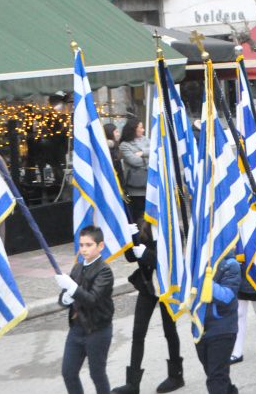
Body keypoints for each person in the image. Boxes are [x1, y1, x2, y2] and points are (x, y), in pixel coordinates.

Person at [112, 222, 184, 394]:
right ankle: (133, 383)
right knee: (138, 332)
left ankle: (176, 376)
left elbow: (173, 262)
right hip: (148, 285)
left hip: (167, 287)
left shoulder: (172, 227)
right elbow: (131, 257)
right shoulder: (144, 226)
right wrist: (131, 240)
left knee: (169, 331)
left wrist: (147, 254)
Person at [55, 225, 115, 394]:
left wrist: (72, 288)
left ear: (100, 246)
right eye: (81, 245)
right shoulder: (77, 268)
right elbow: (63, 297)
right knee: (68, 372)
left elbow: (92, 299)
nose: (84, 249)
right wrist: (65, 297)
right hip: (77, 328)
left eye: (89, 245)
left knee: (97, 374)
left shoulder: (105, 271)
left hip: (97, 330)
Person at [194, 253, 241, 394]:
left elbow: (227, 297)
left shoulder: (231, 264)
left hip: (223, 327)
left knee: (216, 379)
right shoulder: (196, 262)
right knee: (216, 374)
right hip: (200, 327)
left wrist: (205, 281)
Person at [120, 119, 150, 220]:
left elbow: (155, 153)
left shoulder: (146, 140)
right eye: (140, 128)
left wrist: (142, 153)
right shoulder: (124, 145)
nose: (143, 130)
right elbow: (134, 161)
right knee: (138, 216)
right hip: (135, 188)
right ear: (133, 130)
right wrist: (148, 160)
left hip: (149, 186)